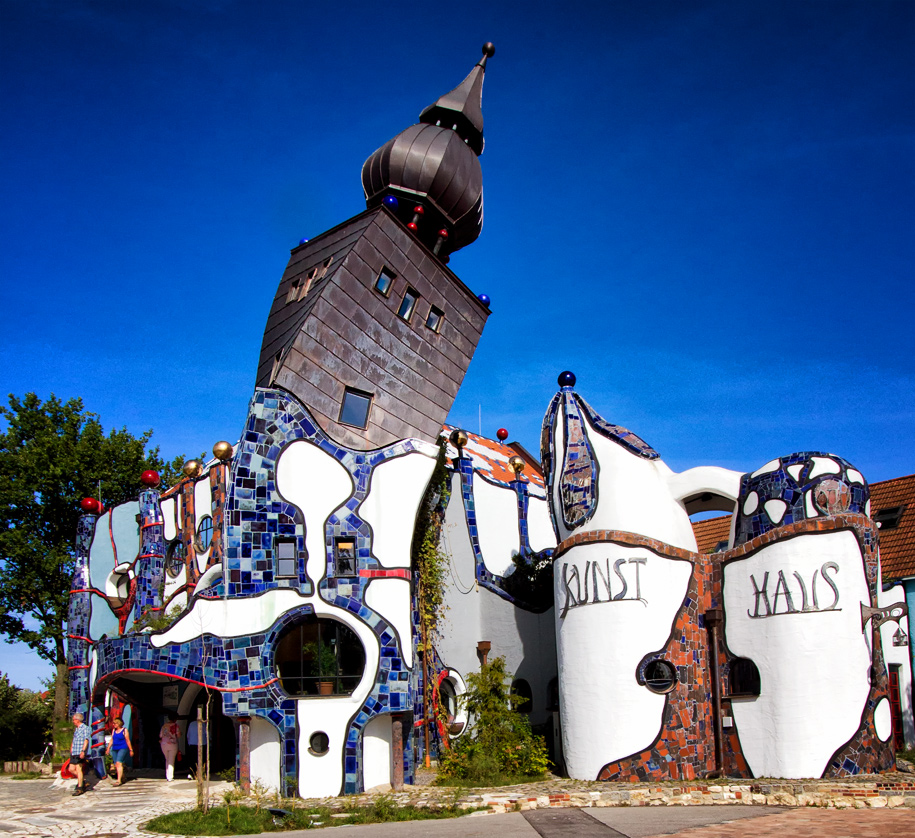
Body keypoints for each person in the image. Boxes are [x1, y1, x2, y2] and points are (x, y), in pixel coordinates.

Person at [105, 716, 134, 786]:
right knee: (116, 765)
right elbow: (112, 739)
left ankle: (119, 781)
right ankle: (123, 777)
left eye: (115, 723)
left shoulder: (124, 730)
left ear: (119, 724)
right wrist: (108, 748)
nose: (114, 725)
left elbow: (127, 740)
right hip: (115, 748)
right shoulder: (114, 731)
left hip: (123, 747)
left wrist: (131, 749)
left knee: (119, 763)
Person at [69, 712, 92, 796]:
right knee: (71, 769)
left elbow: (86, 740)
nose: (73, 721)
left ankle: (80, 787)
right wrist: (71, 748)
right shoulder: (77, 729)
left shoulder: (85, 728)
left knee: (79, 768)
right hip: (74, 751)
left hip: (80, 751)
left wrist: (83, 751)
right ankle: (82, 781)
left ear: (77, 720)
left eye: (74, 720)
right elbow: (74, 739)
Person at [159, 713, 180, 781]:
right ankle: (170, 776)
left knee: (167, 759)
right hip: (172, 743)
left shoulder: (164, 726)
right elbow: (178, 735)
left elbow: (160, 735)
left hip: (164, 744)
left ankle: (167, 774)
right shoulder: (176, 726)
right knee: (171, 760)